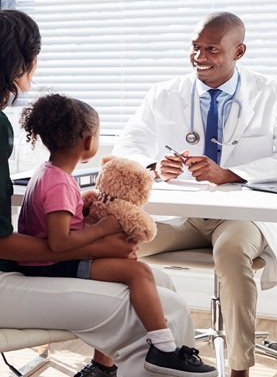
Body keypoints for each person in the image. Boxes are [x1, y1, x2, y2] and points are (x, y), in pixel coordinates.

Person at [0, 9, 203, 377]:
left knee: (160, 282)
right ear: (18, 61)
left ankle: (103, 370)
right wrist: (99, 244)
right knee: (167, 309)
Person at [112, 11, 277, 377]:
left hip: (242, 212)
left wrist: (232, 173)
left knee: (231, 254)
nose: (199, 57)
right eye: (195, 47)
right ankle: (111, 358)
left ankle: (239, 369)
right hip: (182, 212)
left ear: (239, 51)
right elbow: (128, 143)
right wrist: (154, 166)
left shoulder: (275, 94)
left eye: (211, 49)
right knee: (117, 247)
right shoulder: (164, 93)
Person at [16, 93, 217, 376]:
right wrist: (103, 229)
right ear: (89, 142)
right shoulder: (59, 183)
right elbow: (59, 242)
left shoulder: (47, 173)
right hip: (52, 267)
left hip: (51, 262)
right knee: (139, 274)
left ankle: (108, 364)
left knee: (135, 269)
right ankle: (163, 349)